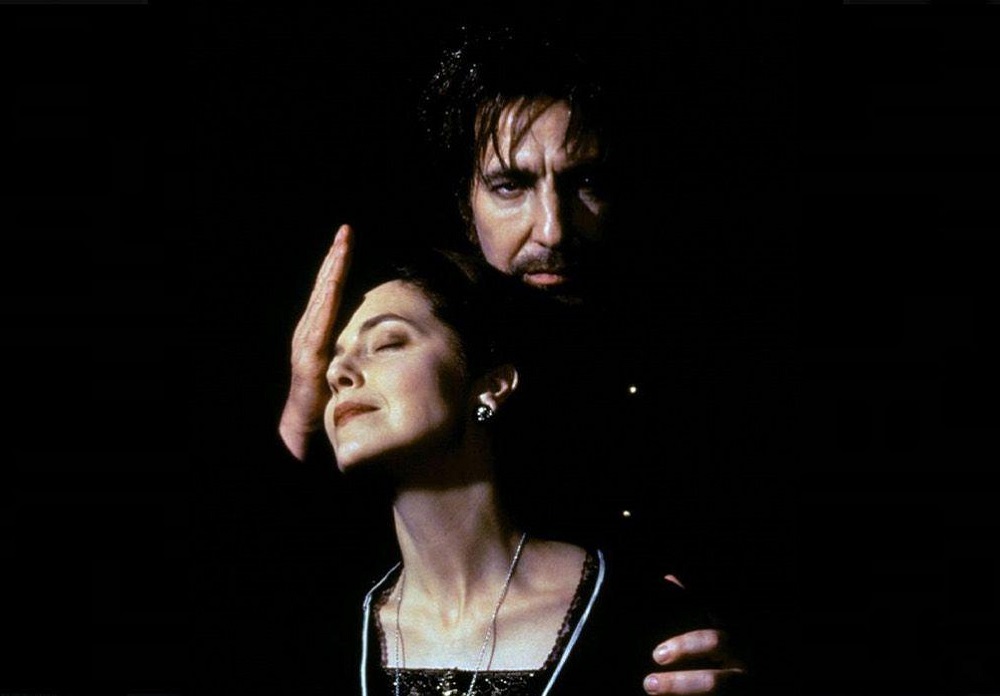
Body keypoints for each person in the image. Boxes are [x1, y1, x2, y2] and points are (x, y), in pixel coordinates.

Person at [279, 26, 749, 695]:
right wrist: (302, 415)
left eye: (586, 181)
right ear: (465, 204)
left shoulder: (702, 366)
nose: (553, 229)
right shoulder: (419, 380)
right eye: (510, 186)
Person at [327, 248, 738, 695]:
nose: (337, 373)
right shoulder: (327, 636)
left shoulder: (647, 622)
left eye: (387, 342)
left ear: (491, 385)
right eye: (334, 356)